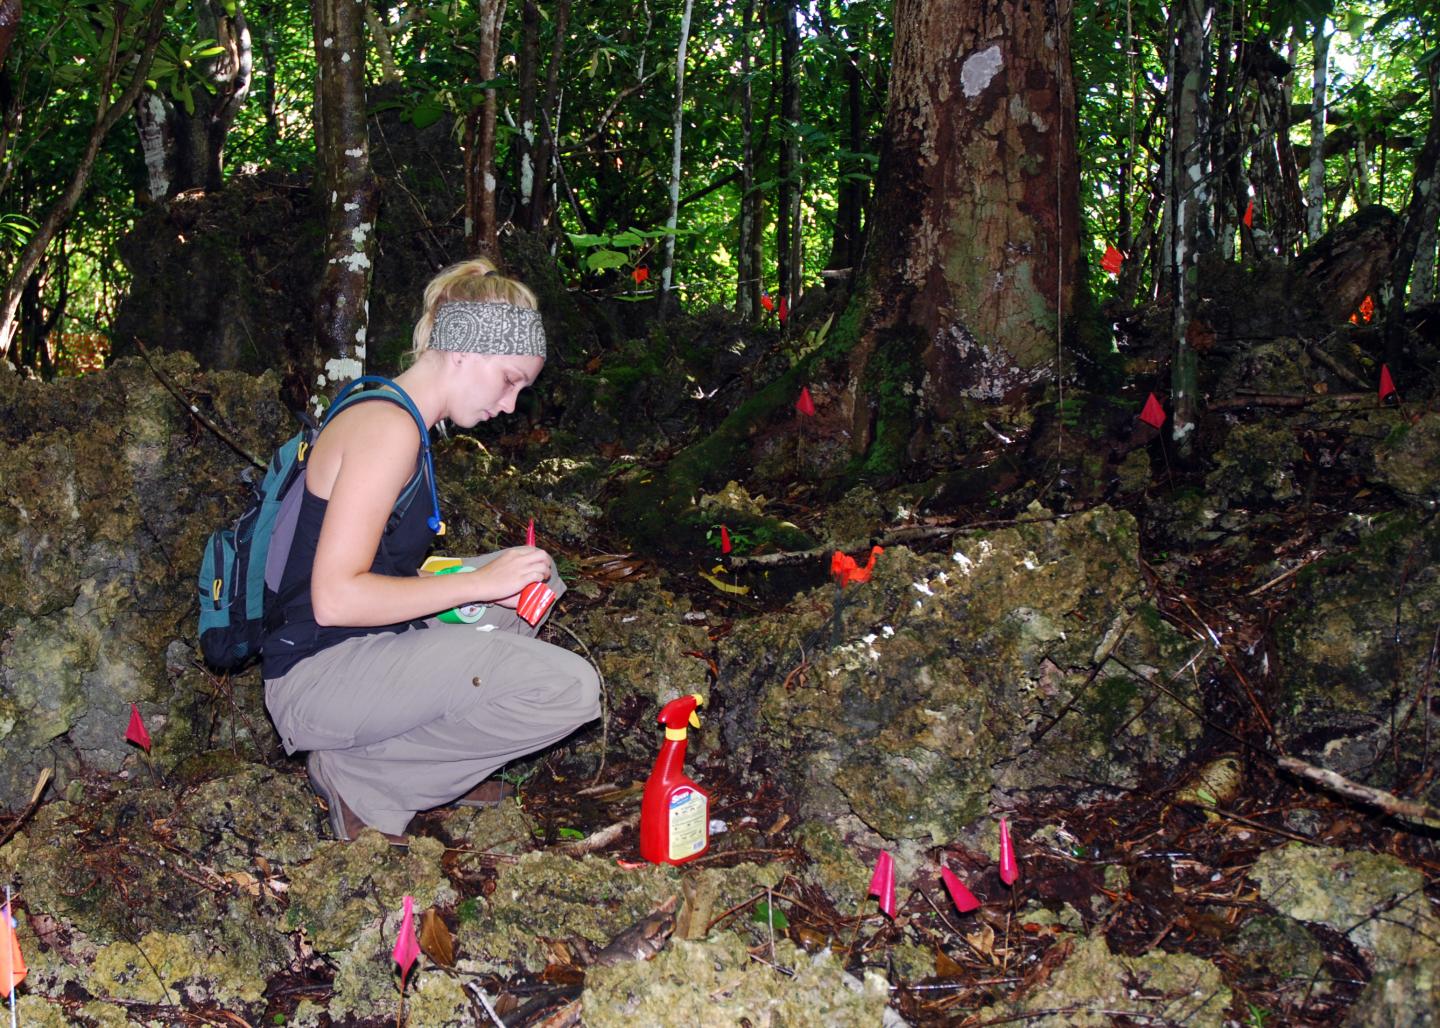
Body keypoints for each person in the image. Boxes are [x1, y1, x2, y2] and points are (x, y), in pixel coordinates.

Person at [262, 258, 601, 844]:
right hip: (317, 678)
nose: (511, 405)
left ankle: (433, 767)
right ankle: (364, 778)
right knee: (570, 690)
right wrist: (476, 583)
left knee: (533, 580)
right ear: (463, 351)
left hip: (360, 653)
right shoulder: (386, 430)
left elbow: (381, 564)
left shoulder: (392, 414)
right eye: (510, 379)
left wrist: (491, 580)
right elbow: (336, 598)